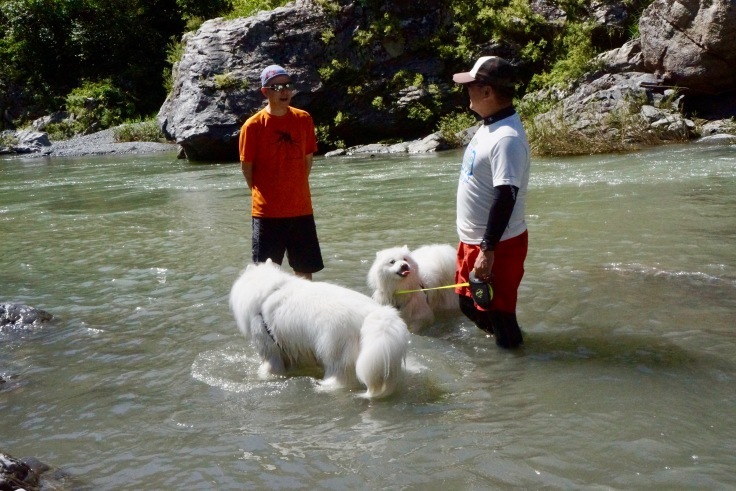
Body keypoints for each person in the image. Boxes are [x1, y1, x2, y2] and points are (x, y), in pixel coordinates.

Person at [452, 56, 530, 349]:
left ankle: (513, 378)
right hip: (473, 240)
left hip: (499, 245)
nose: (466, 91)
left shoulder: (506, 138)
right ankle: (504, 351)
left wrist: (487, 250)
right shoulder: (490, 126)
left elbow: (506, 196)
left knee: (501, 316)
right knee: (467, 303)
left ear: (487, 92)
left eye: (471, 85)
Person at [238, 64, 324, 280]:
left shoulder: (304, 119)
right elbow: (247, 167)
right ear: (265, 92)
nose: (285, 91)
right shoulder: (253, 126)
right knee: (265, 278)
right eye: (277, 87)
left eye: (287, 86)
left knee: (305, 273)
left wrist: (295, 188)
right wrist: (262, 194)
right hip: (267, 213)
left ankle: (303, 314)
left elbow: (307, 160)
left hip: (301, 209)